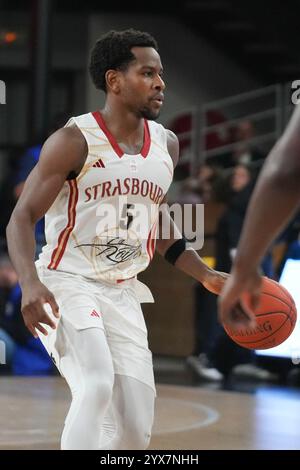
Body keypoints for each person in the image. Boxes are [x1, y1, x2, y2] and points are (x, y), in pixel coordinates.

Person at [6, 29, 228, 450]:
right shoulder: (73, 142)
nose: (160, 83)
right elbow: (20, 218)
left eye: (160, 74)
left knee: (134, 428)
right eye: (148, 73)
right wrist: (30, 285)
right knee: (95, 384)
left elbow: (158, 225)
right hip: (65, 282)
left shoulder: (167, 145)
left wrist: (207, 276)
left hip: (123, 292)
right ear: (114, 81)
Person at [219, 104, 300, 329]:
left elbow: (286, 174)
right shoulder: (233, 200)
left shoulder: (260, 171)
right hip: (243, 239)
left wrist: (243, 268)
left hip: (257, 243)